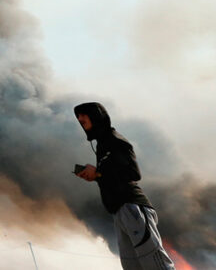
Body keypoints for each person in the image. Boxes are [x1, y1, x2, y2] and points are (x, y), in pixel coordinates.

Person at [74, 102, 174, 270]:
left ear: (96, 118)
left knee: (155, 264)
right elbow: (112, 174)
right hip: (119, 212)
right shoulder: (102, 145)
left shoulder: (115, 141)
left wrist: (98, 173)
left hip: (132, 208)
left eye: (84, 119)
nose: (81, 123)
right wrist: (95, 175)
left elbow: (133, 174)